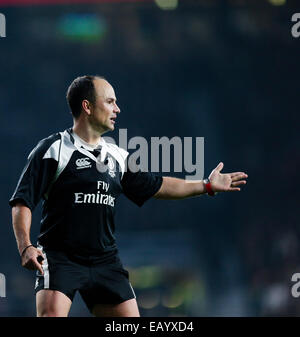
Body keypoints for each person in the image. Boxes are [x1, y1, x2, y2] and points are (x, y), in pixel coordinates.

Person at [9, 75, 248, 317]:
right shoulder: (53, 149)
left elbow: (158, 185)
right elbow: (22, 201)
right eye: (110, 102)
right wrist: (25, 246)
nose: (117, 108)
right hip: (61, 258)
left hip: (105, 261)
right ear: (87, 106)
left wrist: (206, 185)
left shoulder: (117, 156)